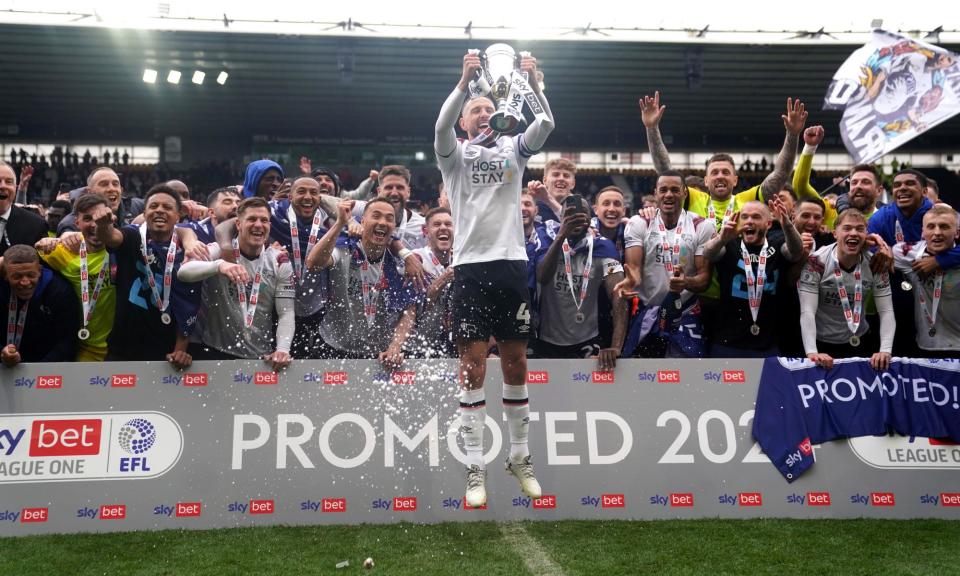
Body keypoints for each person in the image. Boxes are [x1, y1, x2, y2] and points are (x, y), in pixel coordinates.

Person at [435, 49, 554, 508]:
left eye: (489, 107)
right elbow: (439, 127)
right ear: (467, 120)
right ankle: (474, 466)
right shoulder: (456, 156)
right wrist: (464, 82)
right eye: (476, 110)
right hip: (468, 268)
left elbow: (546, 126)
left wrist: (533, 86)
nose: (484, 113)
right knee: (472, 367)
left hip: (509, 266)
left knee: (516, 363)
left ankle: (520, 457)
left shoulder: (513, 149)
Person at [177, 197, 294, 370]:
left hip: (262, 356)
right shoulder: (219, 251)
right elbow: (183, 273)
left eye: (264, 220)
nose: (258, 225)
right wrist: (219, 266)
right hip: (215, 351)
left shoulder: (279, 260)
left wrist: (282, 349)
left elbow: (286, 312)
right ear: (238, 225)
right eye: (252, 219)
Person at [93, 185, 203, 369]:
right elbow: (111, 237)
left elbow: (189, 303)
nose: (159, 210)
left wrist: (180, 350)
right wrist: (103, 225)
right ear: (144, 213)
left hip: (167, 355)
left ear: (178, 216)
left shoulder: (187, 251)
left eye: (167, 207)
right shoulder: (132, 236)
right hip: (122, 352)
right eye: (153, 206)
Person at [306, 198, 418, 364]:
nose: (383, 222)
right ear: (363, 221)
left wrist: (395, 346)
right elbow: (313, 264)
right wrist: (339, 224)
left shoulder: (399, 264)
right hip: (332, 346)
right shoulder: (345, 249)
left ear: (394, 227)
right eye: (376, 216)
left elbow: (410, 308)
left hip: (379, 353)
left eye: (389, 218)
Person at [616, 171, 715, 358]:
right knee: (640, 377)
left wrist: (685, 283)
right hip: (649, 312)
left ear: (685, 194)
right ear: (656, 194)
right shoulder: (640, 223)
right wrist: (631, 281)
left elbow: (704, 279)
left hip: (686, 313)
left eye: (675, 190)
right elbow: (635, 268)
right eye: (663, 190)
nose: (669, 194)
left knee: (689, 380)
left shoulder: (701, 226)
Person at [533, 196, 626, 368]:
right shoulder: (546, 237)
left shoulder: (603, 247)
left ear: (590, 219)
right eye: (569, 214)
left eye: (582, 213)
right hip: (547, 340)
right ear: (560, 217)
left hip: (587, 339)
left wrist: (615, 346)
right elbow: (542, 276)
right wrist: (562, 235)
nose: (576, 218)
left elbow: (619, 295)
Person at [702, 199, 803, 357]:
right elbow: (708, 253)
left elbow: (796, 252)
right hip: (728, 341)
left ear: (768, 224)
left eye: (756, 217)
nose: (749, 221)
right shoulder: (729, 244)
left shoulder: (777, 243)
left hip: (768, 344)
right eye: (745, 217)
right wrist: (722, 238)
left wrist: (787, 225)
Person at [799, 209, 894, 370]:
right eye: (847, 228)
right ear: (835, 233)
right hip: (822, 344)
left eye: (859, 229)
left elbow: (886, 311)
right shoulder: (817, 262)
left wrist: (885, 350)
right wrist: (812, 352)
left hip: (860, 340)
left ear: (866, 235)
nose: (854, 233)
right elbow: (807, 311)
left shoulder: (875, 263)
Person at [35, 193, 117, 361]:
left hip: (121, 345)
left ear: (111, 219)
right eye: (87, 218)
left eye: (100, 218)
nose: (95, 224)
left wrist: (187, 235)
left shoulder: (122, 247)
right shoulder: (63, 251)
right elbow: (17, 260)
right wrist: (40, 244)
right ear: (76, 223)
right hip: (84, 347)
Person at [891, 204, 960, 358]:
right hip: (925, 345)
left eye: (944, 227)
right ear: (923, 232)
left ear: (957, 233)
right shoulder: (907, 254)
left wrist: (940, 261)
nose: (937, 232)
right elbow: (880, 254)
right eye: (931, 227)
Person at [0, 244, 79, 365]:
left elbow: (68, 340)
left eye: (31, 275)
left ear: (40, 271)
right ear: (5, 275)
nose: (25, 282)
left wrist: (39, 371)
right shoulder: (2, 288)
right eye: (17, 276)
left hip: (48, 364)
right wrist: (2, 352)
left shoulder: (60, 291)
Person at [793, 126, 882, 229]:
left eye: (865, 182)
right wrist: (810, 147)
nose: (858, 186)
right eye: (854, 182)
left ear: (879, 190)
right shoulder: (831, 210)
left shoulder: (887, 218)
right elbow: (800, 185)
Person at [408, 207, 456, 358]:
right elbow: (418, 306)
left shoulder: (460, 260)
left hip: (449, 345)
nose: (443, 228)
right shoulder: (416, 259)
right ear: (425, 231)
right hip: (416, 348)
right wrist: (444, 278)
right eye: (437, 224)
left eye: (448, 224)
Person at [0, 161, 47, 256]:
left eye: (8, 182)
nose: (3, 186)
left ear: (15, 187)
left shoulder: (35, 225)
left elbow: (42, 266)